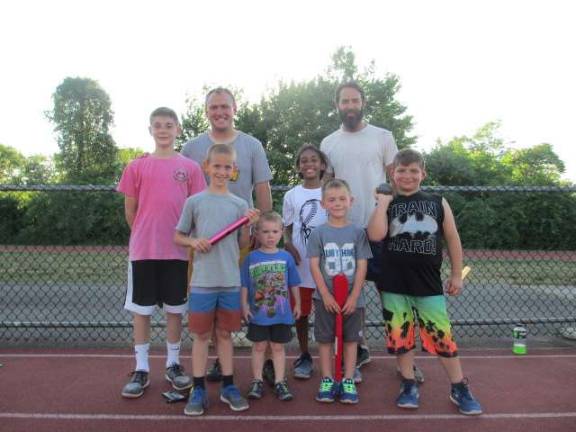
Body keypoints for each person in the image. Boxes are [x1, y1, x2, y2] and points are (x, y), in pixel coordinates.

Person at [320, 81, 424, 384]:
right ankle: (360, 349)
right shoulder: (329, 143)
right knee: (350, 293)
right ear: (337, 105)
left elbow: (398, 181)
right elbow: (329, 187)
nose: (350, 106)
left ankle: (403, 358)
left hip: (381, 229)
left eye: (355, 100)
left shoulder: (383, 137)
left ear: (363, 102)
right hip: (345, 232)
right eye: (344, 101)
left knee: (391, 296)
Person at [367, 149, 482, 416]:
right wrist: (382, 202)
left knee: (442, 337)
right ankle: (408, 383)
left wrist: (455, 274)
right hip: (393, 283)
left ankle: (458, 386)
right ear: (392, 174)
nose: (407, 175)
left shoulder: (437, 201)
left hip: (428, 284)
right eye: (401, 170)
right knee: (401, 337)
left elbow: (452, 239)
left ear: (423, 174)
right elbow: (375, 234)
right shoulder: (388, 204)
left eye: (413, 170)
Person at [181, 87, 273, 382]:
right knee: (209, 303)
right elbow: (177, 182)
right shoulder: (192, 148)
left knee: (253, 298)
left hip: (241, 239)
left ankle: (268, 360)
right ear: (206, 111)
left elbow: (262, 188)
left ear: (234, 109)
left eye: (224, 107)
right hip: (204, 242)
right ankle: (218, 361)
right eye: (213, 107)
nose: (219, 112)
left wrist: (261, 227)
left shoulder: (251, 145)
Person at [117, 107, 206, 398]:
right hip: (143, 251)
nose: (163, 129)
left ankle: (173, 364)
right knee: (141, 312)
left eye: (169, 124)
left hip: (178, 253)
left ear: (178, 129)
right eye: (158, 125)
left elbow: (196, 210)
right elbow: (131, 211)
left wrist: (185, 241)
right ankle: (141, 369)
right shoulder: (136, 166)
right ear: (150, 130)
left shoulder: (190, 168)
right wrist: (146, 235)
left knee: (174, 311)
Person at [175, 143, 260, 416]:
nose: (222, 171)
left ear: (234, 170)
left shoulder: (240, 205)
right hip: (202, 281)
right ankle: (198, 388)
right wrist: (193, 241)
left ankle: (228, 385)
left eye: (227, 167)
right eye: (217, 166)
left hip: (230, 281)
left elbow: (244, 243)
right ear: (206, 167)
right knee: (201, 336)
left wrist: (248, 224)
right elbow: (178, 236)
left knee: (225, 335)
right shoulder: (194, 202)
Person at [307, 179, 372, 404]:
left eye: (342, 199)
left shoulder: (357, 232)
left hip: (353, 300)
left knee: (351, 340)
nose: (337, 203)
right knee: (325, 340)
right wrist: (324, 294)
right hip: (325, 298)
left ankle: (347, 379)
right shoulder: (318, 233)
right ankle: (326, 379)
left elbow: (362, 264)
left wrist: (354, 296)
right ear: (323, 203)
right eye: (331, 199)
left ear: (351, 201)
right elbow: (315, 265)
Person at [241, 211, 302, 401]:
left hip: (281, 314)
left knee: (277, 347)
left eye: (275, 231)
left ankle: (280, 381)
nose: (270, 236)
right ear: (257, 234)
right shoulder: (251, 258)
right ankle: (257, 380)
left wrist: (297, 303)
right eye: (265, 231)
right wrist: (244, 305)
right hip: (259, 313)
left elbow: (293, 283)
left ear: (282, 232)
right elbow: (244, 284)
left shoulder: (286, 257)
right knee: (259, 346)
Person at [282, 144, 328, 379]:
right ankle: (304, 354)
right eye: (304, 161)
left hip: (326, 266)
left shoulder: (330, 192)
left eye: (313, 160)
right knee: (301, 313)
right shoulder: (292, 195)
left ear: (322, 165)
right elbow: (287, 229)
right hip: (301, 266)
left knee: (327, 312)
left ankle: (330, 359)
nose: (309, 164)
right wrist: (289, 245)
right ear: (299, 167)